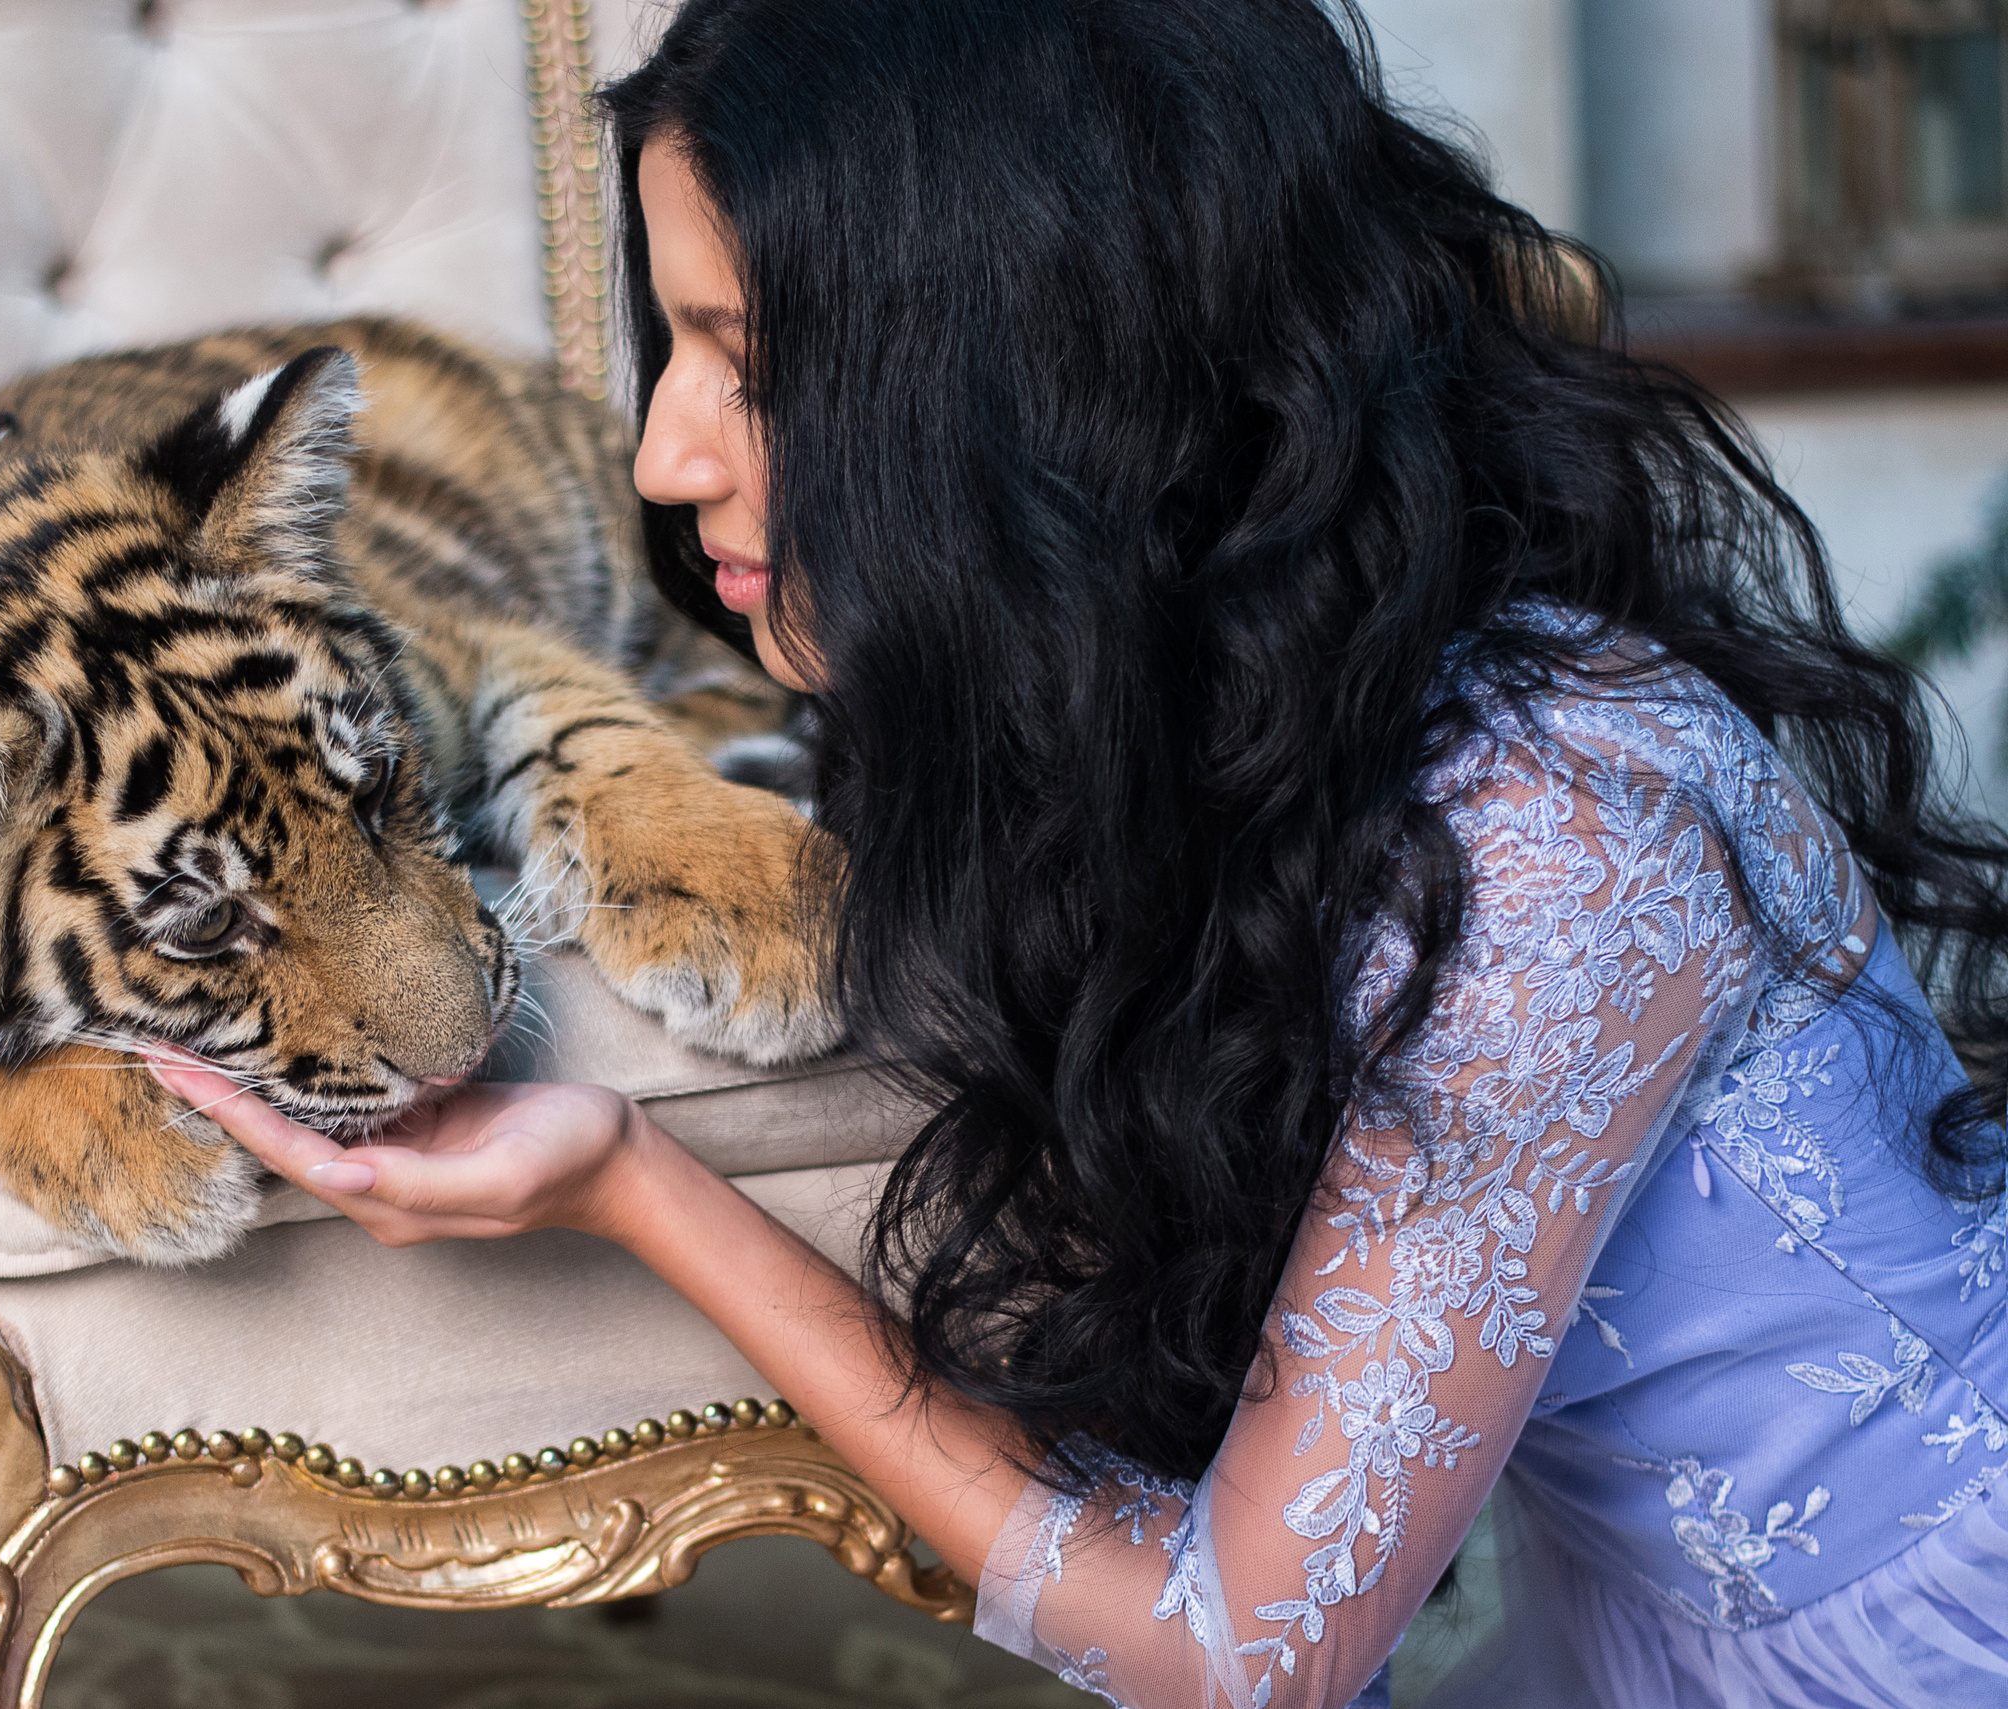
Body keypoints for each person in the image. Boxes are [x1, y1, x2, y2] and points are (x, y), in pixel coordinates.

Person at [150, 2, 2008, 1703]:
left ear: (1031, 375)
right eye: (672, 341)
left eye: (745, 361)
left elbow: (1232, 1653)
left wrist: (634, 1184)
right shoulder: (1197, 693)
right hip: (1651, 1618)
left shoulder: (1557, 840)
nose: (656, 455)